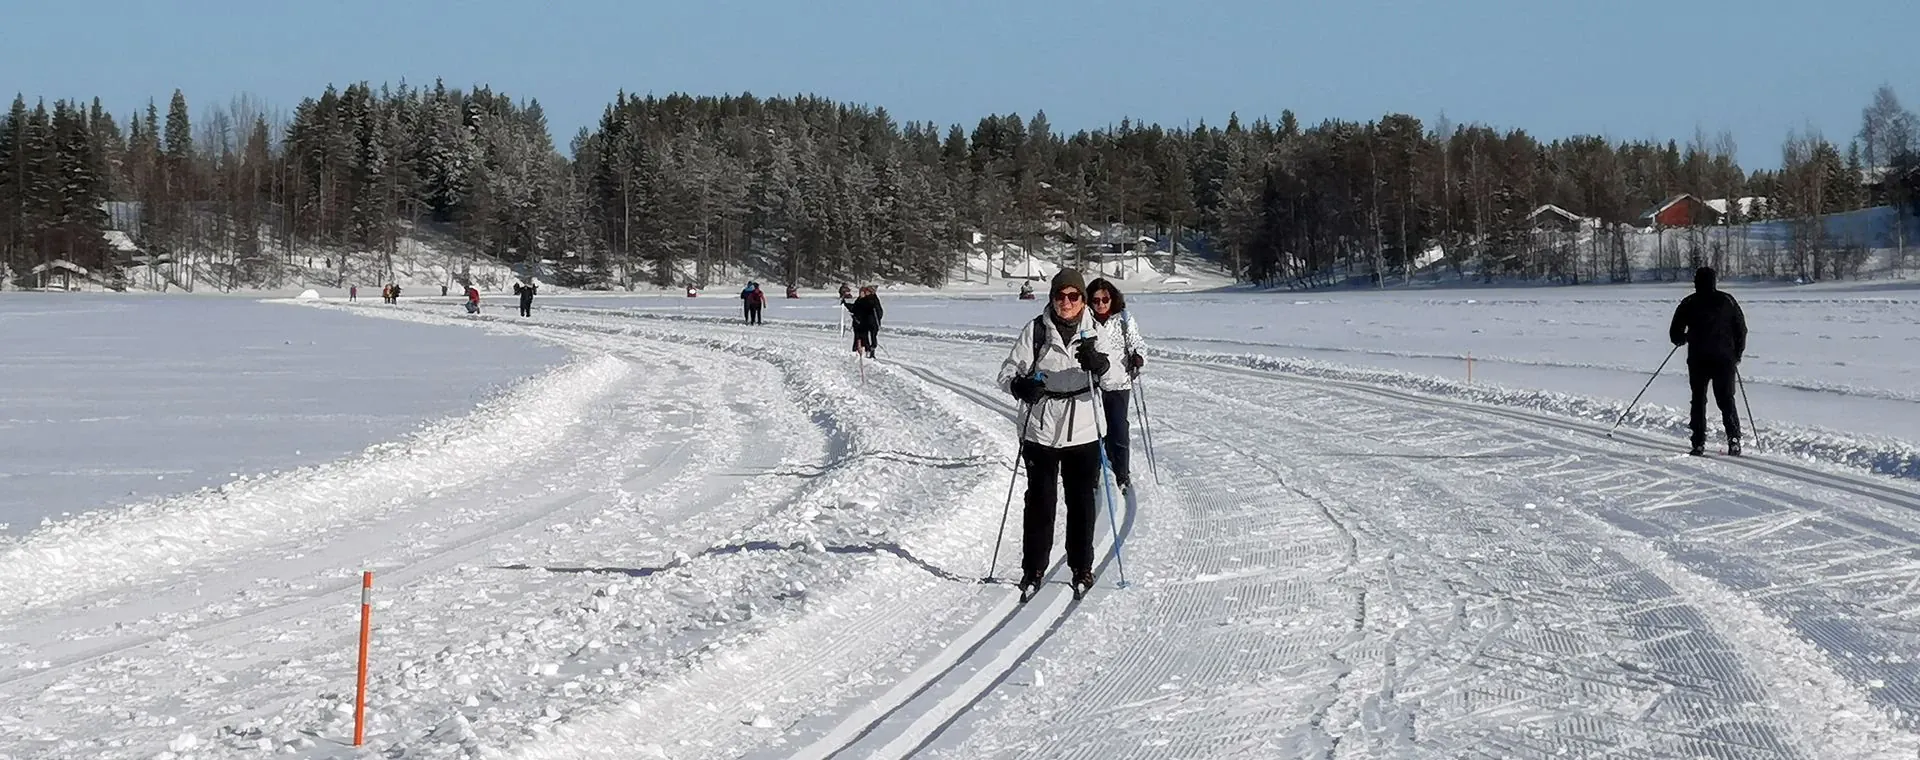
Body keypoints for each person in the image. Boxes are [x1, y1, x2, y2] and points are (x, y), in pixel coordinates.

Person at [997, 268, 1111, 600]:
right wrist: (1019, 385)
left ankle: (1081, 567)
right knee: (1039, 502)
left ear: (1083, 299)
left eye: (1073, 296)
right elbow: (1007, 371)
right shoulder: (1035, 330)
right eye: (1060, 296)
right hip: (1040, 427)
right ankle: (1033, 568)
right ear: (1052, 298)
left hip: (1084, 428)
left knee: (1081, 503)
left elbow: (1117, 378)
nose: (1066, 302)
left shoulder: (1096, 331)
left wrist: (1101, 365)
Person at [1669, 266, 1748, 456]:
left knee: (1698, 400)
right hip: (1725, 360)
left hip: (1698, 359)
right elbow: (1741, 329)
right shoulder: (1727, 300)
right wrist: (1737, 354)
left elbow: (1675, 334)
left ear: (1696, 282)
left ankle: (1698, 443)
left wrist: (1685, 338)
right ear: (1714, 281)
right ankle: (1734, 439)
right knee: (1726, 400)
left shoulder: (1689, 302)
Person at [1086, 277, 1147, 490]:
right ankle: (1093, 473)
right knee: (1092, 431)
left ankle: (1122, 473)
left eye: (1105, 299)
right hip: (1092, 384)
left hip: (1119, 382)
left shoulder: (1123, 319)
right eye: (1095, 300)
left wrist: (1138, 356)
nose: (1101, 304)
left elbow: (1137, 342)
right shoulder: (1085, 320)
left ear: (1113, 298)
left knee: (1118, 429)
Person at [843, 285, 883, 357]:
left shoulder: (871, 299)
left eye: (864, 292)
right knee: (861, 337)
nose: (862, 294)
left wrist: (874, 320)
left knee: (870, 338)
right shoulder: (861, 300)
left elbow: (877, 312)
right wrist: (846, 305)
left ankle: (870, 352)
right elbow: (855, 308)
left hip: (871, 323)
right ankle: (862, 351)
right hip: (862, 323)